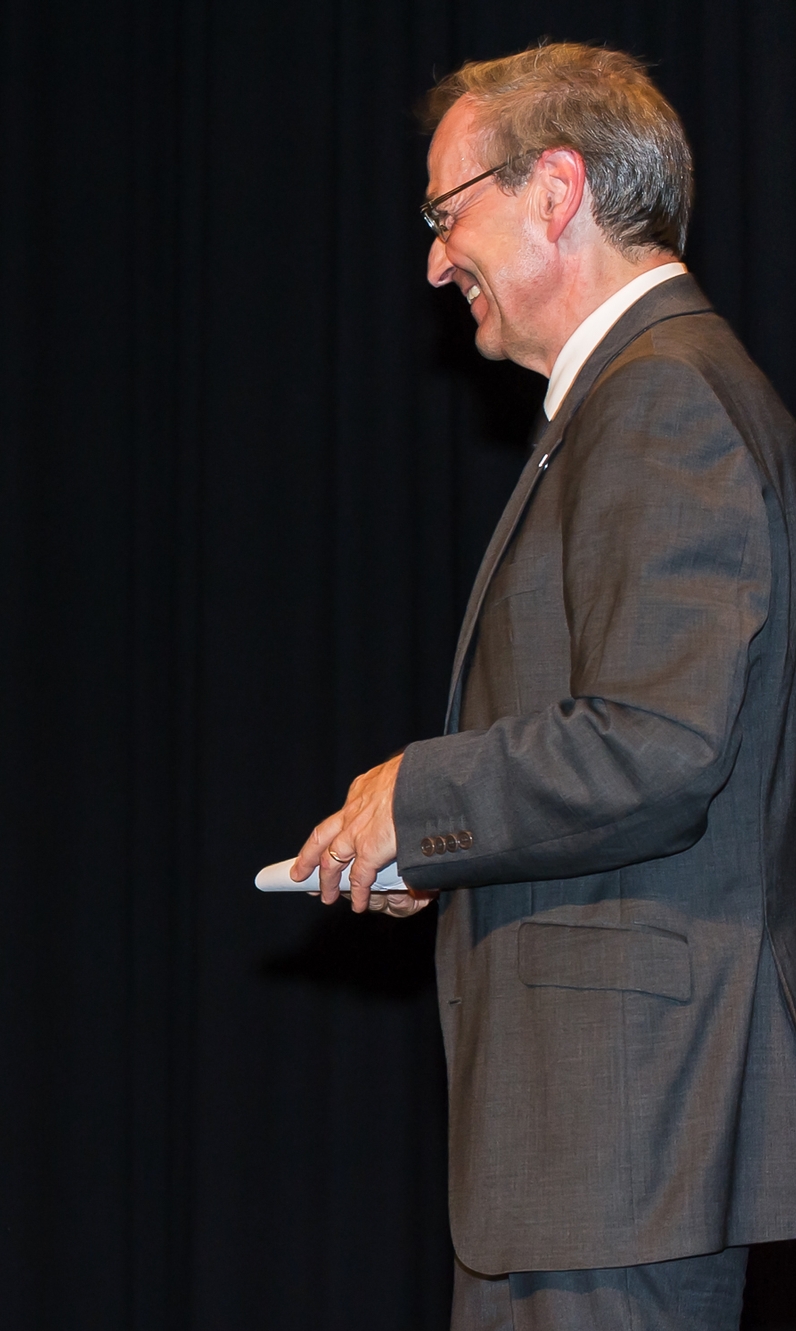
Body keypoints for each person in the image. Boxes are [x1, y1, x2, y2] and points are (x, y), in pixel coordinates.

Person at [287, 44, 796, 1329]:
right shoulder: (640, 394)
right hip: (598, 1149)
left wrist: (420, 797)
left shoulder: (661, 396)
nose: (432, 262)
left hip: (620, 1138)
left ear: (554, 190)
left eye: (444, 214)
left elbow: (659, 744)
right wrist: (434, 850)